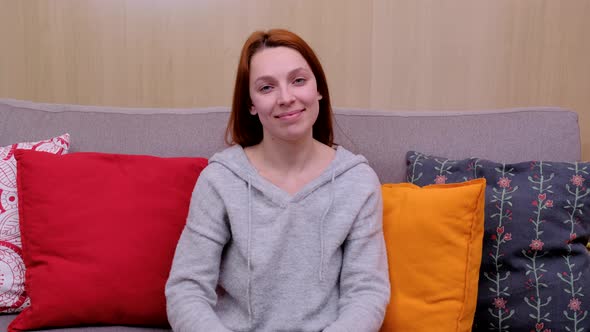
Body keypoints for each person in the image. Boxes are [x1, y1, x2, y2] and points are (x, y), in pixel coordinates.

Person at [165, 29, 390, 332]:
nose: (286, 98)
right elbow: (186, 290)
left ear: (319, 89)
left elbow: (367, 292)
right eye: (267, 87)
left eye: (298, 80)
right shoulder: (219, 179)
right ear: (251, 104)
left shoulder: (358, 181)